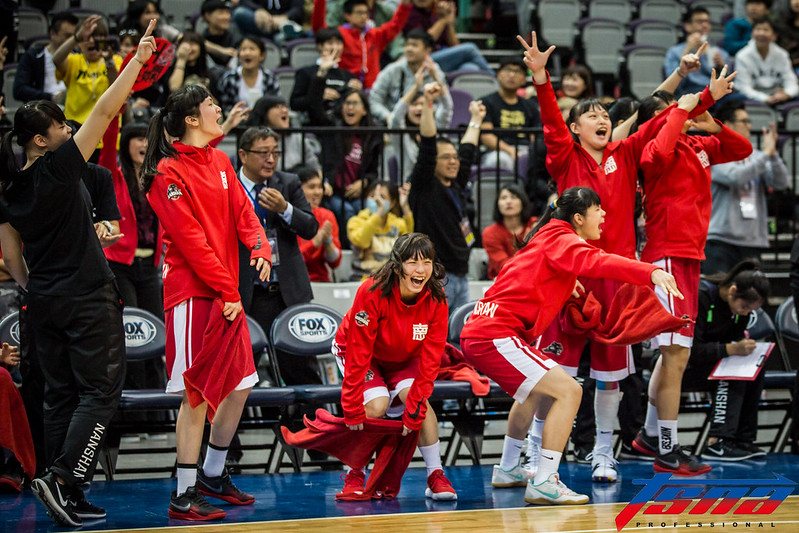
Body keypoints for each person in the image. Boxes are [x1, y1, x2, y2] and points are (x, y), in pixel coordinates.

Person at [519, 31, 733, 484]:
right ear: (577, 129)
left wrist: (700, 99)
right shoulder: (565, 156)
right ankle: (534, 454)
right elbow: (553, 120)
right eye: (588, 115)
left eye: (602, 114)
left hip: (616, 282)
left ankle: (603, 453)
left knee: (611, 377)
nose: (598, 118)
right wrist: (540, 77)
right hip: (569, 279)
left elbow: (660, 117)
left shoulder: (627, 151)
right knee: (554, 372)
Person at [0, 21, 158, 527]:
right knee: (101, 392)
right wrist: (136, 60)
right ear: (42, 140)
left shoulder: (9, 190)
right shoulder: (61, 167)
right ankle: (64, 477)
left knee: (60, 395)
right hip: (86, 296)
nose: (72, 132)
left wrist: (33, 284)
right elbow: (107, 109)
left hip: (43, 298)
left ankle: (68, 490)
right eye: (63, 129)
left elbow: (10, 255)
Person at [459, 186, 682, 505]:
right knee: (570, 390)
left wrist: (566, 283)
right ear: (578, 218)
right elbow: (601, 262)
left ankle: (508, 468)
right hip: (494, 332)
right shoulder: (564, 240)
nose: (604, 215)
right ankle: (545, 481)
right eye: (598, 210)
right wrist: (651, 271)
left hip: (484, 328)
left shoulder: (546, 237)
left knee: (535, 390)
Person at [141, 85, 272, 521]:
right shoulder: (166, 171)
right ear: (192, 119)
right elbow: (191, 242)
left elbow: (245, 213)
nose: (219, 108)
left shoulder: (218, 161)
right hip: (192, 293)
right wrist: (229, 290)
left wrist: (260, 247)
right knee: (195, 395)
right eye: (211, 104)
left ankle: (213, 474)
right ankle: (183, 492)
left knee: (241, 384)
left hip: (224, 293)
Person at [633, 85, 753, 476]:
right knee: (675, 357)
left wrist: (712, 123)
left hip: (690, 258)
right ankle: (667, 450)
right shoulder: (655, 150)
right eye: (674, 112)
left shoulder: (697, 146)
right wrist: (685, 108)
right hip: (665, 257)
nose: (682, 115)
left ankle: (651, 437)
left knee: (674, 359)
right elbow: (662, 147)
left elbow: (742, 151)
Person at [333, 232, 457, 501]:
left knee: (420, 406)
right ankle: (355, 472)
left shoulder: (437, 298)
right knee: (375, 405)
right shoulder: (372, 291)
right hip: (360, 352)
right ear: (397, 265)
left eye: (427, 262)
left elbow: (431, 358)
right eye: (413, 262)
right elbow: (359, 352)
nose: (421, 270)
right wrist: (351, 404)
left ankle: (436, 474)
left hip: (404, 357)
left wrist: (416, 404)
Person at [236, 126, 320, 384]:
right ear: (243, 155)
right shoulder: (228, 184)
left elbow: (310, 227)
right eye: (263, 153)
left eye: (275, 152)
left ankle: (309, 422)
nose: (271, 159)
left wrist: (285, 208)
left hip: (286, 290)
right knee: (242, 369)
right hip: (248, 291)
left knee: (300, 366)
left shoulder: (288, 182)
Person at [678, 261, 771, 461]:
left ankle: (743, 440)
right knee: (730, 373)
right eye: (744, 307)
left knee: (754, 368)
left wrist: (742, 348)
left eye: (750, 310)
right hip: (681, 366)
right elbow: (690, 350)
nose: (746, 313)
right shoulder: (702, 296)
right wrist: (730, 349)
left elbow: (735, 339)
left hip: (712, 362)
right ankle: (717, 442)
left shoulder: (739, 313)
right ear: (732, 291)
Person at [409, 82, 480, 311]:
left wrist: (476, 119)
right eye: (446, 157)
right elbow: (428, 146)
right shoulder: (425, 187)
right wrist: (429, 103)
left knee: (459, 334)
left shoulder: (456, 185)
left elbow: (467, 151)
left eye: (454, 157)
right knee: (437, 334)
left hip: (461, 274)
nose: (453, 161)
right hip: (437, 275)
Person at [704, 101, 789, 274]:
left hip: (753, 241)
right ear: (728, 125)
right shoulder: (715, 153)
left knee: (750, 297)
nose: (750, 126)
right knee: (716, 295)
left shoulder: (757, 156)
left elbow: (781, 183)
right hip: (721, 240)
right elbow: (735, 177)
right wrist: (765, 155)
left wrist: (773, 156)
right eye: (744, 121)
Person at [308, 76, 382, 247]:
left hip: (358, 193)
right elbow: (314, 109)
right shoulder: (334, 129)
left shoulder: (372, 137)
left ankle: (370, 253)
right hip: (334, 191)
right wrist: (321, 75)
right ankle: (351, 252)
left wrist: (364, 182)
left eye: (355, 104)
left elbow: (373, 171)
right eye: (347, 103)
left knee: (370, 208)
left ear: (364, 110)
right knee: (347, 212)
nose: (350, 107)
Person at [312, 0, 413, 88]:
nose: (364, 16)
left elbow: (395, 25)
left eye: (366, 13)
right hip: (346, 86)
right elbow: (319, 27)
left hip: (372, 89)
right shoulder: (339, 35)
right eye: (359, 13)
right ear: (347, 16)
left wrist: (405, 4)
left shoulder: (375, 35)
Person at [52, 16, 123, 135]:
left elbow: (118, 90)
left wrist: (109, 62)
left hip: (107, 131)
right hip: (76, 130)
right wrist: (76, 37)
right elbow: (56, 59)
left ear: (104, 39)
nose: (91, 41)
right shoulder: (73, 61)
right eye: (86, 38)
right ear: (79, 43)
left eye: (95, 36)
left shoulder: (115, 61)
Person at [369, 29, 451, 126]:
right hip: (396, 127)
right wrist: (388, 116)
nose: (409, 49)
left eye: (414, 45)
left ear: (427, 50)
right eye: (407, 45)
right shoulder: (392, 70)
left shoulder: (435, 72)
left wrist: (429, 116)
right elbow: (374, 101)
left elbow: (445, 105)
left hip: (426, 125)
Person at [479, 55, 541, 170]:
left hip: (525, 149)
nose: (512, 75)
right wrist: (510, 150)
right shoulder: (486, 102)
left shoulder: (531, 106)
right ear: (498, 74)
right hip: (497, 150)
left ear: (523, 79)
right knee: (500, 160)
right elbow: (486, 136)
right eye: (507, 70)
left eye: (517, 72)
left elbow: (534, 137)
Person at [348, 181, 414, 281]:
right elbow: (362, 242)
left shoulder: (397, 223)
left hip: (390, 281)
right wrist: (379, 213)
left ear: (392, 203)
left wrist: (405, 207)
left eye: (382, 197)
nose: (376, 200)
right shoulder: (356, 221)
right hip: (363, 280)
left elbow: (408, 244)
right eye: (372, 196)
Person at [404, 0, 492, 73]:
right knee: (470, 48)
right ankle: (495, 79)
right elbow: (425, 41)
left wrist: (449, 23)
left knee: (470, 68)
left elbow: (454, 46)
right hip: (421, 59)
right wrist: (443, 20)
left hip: (441, 58)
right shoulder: (410, 13)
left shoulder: (437, 12)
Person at [290, 27, 359, 118]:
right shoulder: (305, 72)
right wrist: (319, 96)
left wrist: (358, 92)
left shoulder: (348, 75)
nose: (335, 48)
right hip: (315, 124)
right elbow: (294, 104)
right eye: (330, 43)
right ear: (320, 46)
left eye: (338, 43)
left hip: (342, 124)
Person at [13, 12, 78, 104]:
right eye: (67, 36)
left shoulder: (79, 56)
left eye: (73, 37)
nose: (71, 41)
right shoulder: (32, 56)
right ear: (52, 33)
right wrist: (50, 97)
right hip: (43, 107)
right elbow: (19, 90)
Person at [665, 7, 730, 97]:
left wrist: (721, 69)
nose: (704, 25)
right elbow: (673, 86)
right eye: (699, 21)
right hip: (688, 93)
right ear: (687, 26)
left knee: (737, 99)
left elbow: (729, 85)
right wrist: (687, 51)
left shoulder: (720, 53)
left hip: (715, 94)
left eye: (707, 22)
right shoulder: (674, 52)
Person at [247, 95, 320, 172]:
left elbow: (315, 167)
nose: (284, 110)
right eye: (278, 107)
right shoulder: (253, 140)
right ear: (264, 113)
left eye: (285, 107)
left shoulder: (298, 139)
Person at [734, 18, 799, 104]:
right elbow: (743, 88)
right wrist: (765, 98)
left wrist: (787, 94)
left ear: (774, 36)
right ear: (752, 34)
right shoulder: (742, 56)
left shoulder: (782, 55)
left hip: (779, 97)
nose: (761, 33)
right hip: (753, 100)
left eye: (766, 30)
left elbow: (791, 81)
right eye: (758, 29)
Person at [481, 184, 536, 280]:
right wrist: (524, 247)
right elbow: (504, 267)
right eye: (503, 198)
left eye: (514, 197)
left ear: (523, 202)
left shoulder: (535, 225)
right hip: (503, 282)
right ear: (497, 204)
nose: (508, 202)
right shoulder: (490, 233)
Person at [298, 167, 342, 282]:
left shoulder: (327, 216)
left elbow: (335, 263)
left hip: (321, 281)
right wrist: (316, 242)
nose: (317, 192)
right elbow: (294, 260)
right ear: (298, 189)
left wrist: (328, 242)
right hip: (296, 282)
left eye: (320, 187)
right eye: (311, 187)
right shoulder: (290, 215)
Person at [216, 36, 280, 112]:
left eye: (252, 49)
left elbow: (275, 105)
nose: (247, 53)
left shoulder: (270, 78)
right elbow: (224, 107)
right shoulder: (229, 78)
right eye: (243, 49)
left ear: (262, 55)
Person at [232, 0, 305, 41]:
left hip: (283, 22)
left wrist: (285, 16)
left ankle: (282, 35)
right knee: (240, 13)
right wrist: (258, 9)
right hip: (261, 22)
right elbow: (244, 1)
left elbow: (298, 8)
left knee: (286, 31)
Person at [201, 0, 241, 68]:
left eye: (227, 12)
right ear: (207, 16)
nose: (226, 17)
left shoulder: (236, 39)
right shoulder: (201, 40)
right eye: (221, 13)